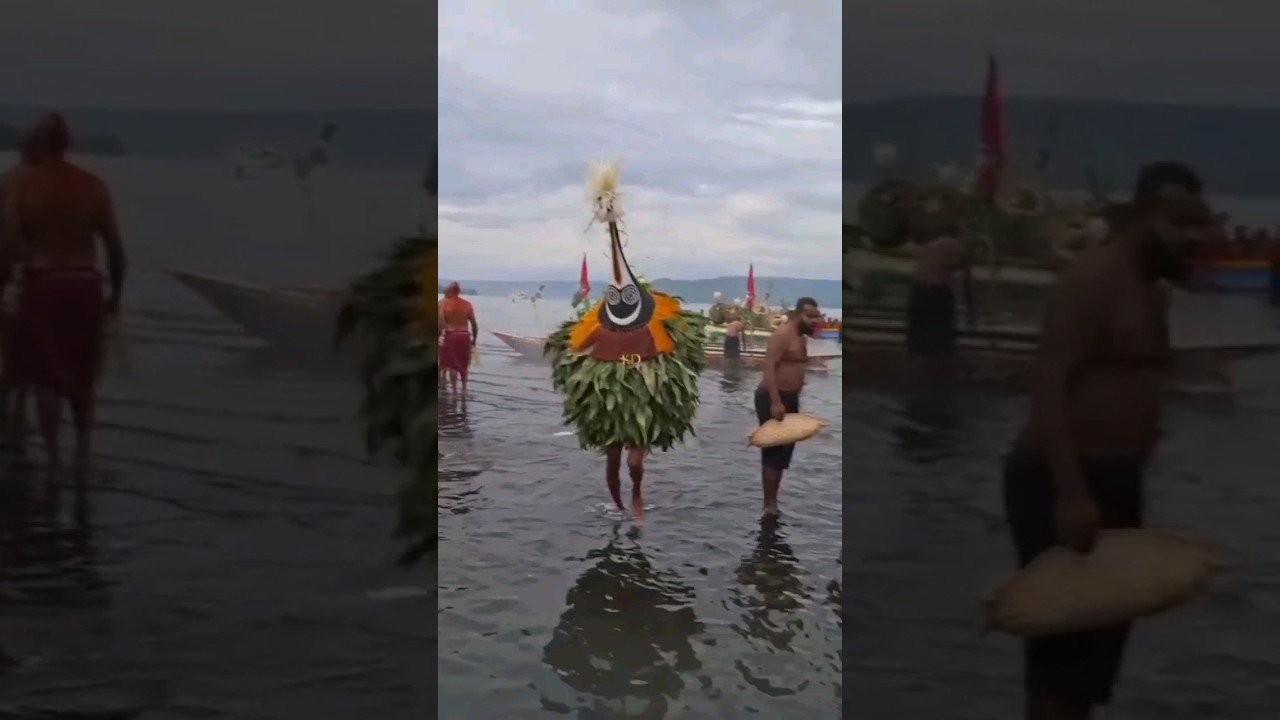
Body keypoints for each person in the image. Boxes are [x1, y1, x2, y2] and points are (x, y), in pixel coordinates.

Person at [1001, 161, 1220, 720]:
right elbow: (1048, 380)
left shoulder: (1153, 290)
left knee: (1099, 652)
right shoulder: (1095, 278)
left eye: (1201, 223)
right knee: (1064, 650)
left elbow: (1135, 373)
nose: (1194, 236)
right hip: (1063, 478)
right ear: (1144, 217)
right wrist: (1073, 494)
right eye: (1180, 222)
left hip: (1117, 479)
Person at [0, 113, 127, 486]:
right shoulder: (93, 185)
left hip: (43, 283)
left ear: (36, 145)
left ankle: (54, 463)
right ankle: (85, 456)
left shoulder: (24, 185)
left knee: (45, 381)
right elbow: (116, 249)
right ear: (68, 143)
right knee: (83, 376)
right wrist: (115, 295)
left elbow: (7, 247)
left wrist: (3, 285)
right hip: (86, 282)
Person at [754, 297, 822, 518]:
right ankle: (768, 505)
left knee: (784, 452)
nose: (815, 321)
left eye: (817, 317)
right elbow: (769, 367)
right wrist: (776, 401)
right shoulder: (783, 334)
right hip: (773, 397)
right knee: (773, 450)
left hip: (790, 398)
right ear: (797, 314)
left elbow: (796, 364)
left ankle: (774, 500)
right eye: (810, 317)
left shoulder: (802, 338)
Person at [904, 219, 975, 357]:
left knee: (917, 338)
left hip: (919, 292)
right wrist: (971, 311)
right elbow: (966, 280)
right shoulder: (954, 245)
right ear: (957, 233)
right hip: (938, 293)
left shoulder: (928, 245)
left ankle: (915, 363)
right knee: (942, 338)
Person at [437, 281, 477, 395]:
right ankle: (464, 390)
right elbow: (474, 324)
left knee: (452, 366)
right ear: (459, 291)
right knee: (464, 365)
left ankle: (454, 392)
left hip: (451, 335)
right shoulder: (467, 304)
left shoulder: (444, 304)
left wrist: (439, 336)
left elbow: (440, 323)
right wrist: (474, 340)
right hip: (464, 335)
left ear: (449, 291)